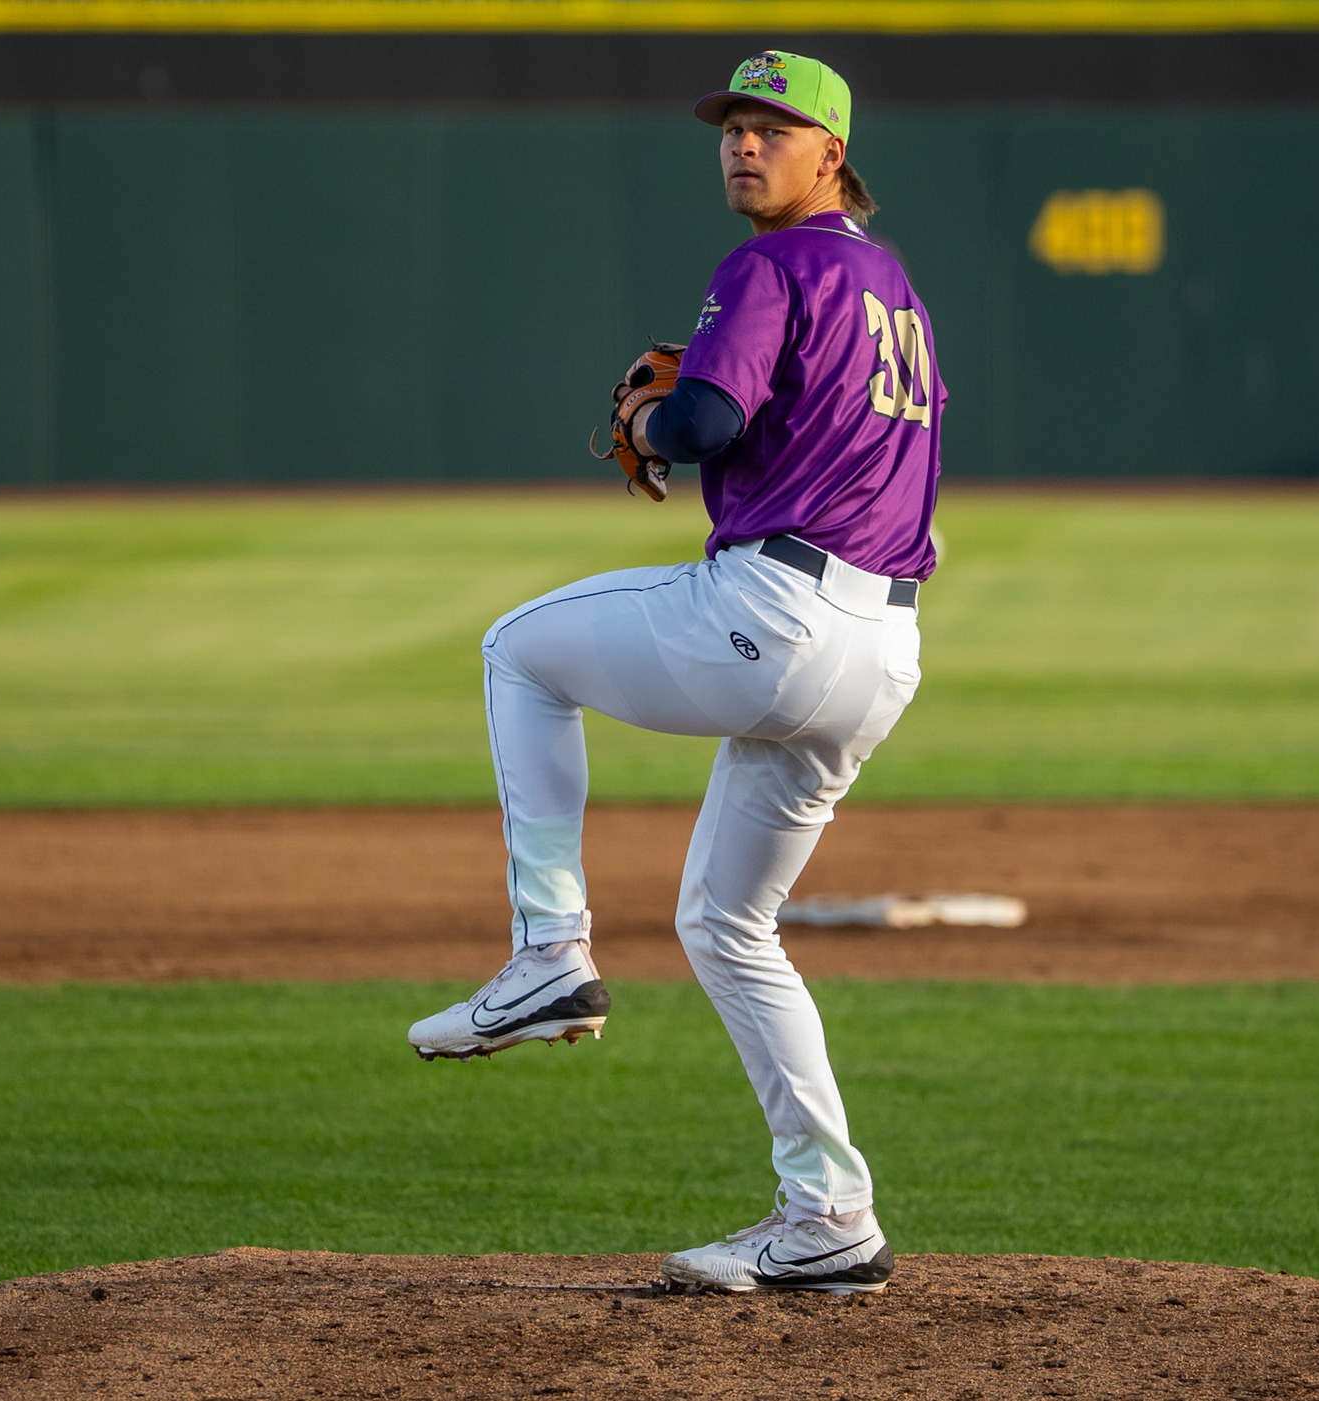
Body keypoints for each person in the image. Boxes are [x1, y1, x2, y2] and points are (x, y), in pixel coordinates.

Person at [408, 49, 943, 1295]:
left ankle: (549, 951)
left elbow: (702, 426)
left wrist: (652, 421)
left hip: (774, 614)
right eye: (732, 127)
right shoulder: (894, 287)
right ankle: (830, 1213)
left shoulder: (768, 265)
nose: (744, 145)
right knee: (727, 924)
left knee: (516, 651)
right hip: (881, 651)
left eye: (773, 128)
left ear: (833, 155)